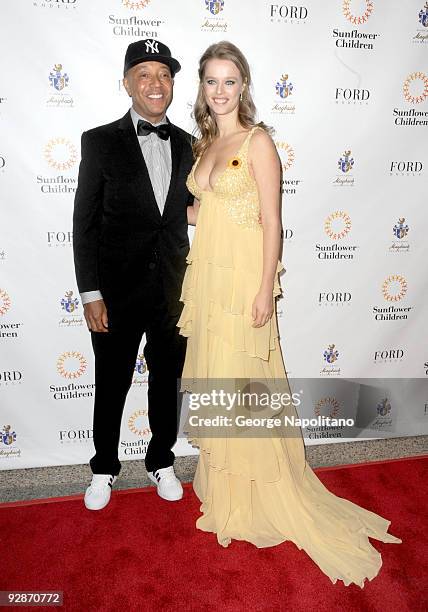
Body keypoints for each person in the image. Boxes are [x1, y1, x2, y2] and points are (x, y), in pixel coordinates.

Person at [178, 41, 402, 588]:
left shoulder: (258, 142)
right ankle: (228, 487)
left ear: (244, 86)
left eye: (230, 81)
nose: (220, 91)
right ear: (202, 88)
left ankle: (261, 495)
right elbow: (203, 212)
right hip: (209, 283)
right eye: (211, 81)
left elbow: (272, 223)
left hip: (243, 284)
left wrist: (263, 290)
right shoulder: (206, 143)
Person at [73, 39, 194, 510]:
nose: (155, 83)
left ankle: (161, 459)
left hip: (173, 290)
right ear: (126, 82)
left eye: (163, 74)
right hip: (116, 294)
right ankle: (103, 468)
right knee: (112, 382)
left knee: (168, 380)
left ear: (172, 84)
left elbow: (191, 210)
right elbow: (85, 223)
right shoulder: (99, 141)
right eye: (143, 73)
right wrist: (90, 292)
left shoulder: (188, 143)